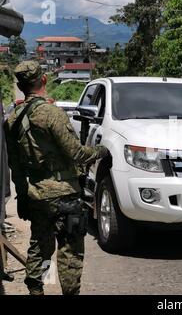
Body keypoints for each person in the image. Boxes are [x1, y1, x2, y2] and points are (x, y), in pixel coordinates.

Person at [3, 61, 109, 295]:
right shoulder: (52, 114)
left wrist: (22, 197)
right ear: (43, 80)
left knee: (40, 248)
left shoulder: (12, 120)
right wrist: (101, 152)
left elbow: (16, 166)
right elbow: (77, 153)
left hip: (36, 196)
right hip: (64, 195)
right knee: (69, 252)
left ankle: (37, 290)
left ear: (20, 86)